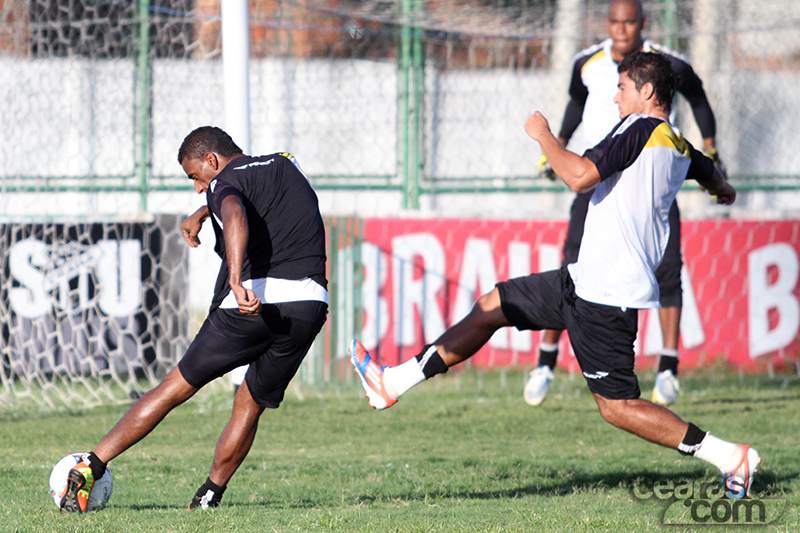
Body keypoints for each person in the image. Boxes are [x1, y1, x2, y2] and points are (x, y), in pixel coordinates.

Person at [350, 52, 760, 499]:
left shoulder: (639, 127)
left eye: (622, 87)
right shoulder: (678, 143)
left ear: (647, 92)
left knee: (618, 407)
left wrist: (544, 136)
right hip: (584, 279)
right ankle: (391, 383)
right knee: (493, 305)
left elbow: (580, 177)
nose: (616, 97)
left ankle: (730, 456)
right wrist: (724, 191)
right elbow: (710, 173)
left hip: (607, 294)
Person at [58, 126, 329, 512]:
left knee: (173, 388)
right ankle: (209, 496)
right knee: (249, 403)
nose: (200, 188)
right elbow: (258, 199)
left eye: (195, 177)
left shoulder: (223, 184)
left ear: (212, 160)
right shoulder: (287, 164)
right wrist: (204, 211)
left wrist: (234, 280)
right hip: (309, 306)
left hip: (251, 303)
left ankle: (91, 465)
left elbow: (235, 212)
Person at [526, 0, 725, 408]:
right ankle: (545, 363)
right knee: (572, 264)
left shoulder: (666, 66)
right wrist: (558, 144)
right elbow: (576, 105)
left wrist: (712, 149)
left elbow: (699, 99)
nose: (620, 29)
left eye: (629, 22)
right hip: (597, 177)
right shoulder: (586, 63)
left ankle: (667, 368)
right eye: (614, 22)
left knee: (668, 268)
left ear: (642, 23)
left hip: (650, 179)